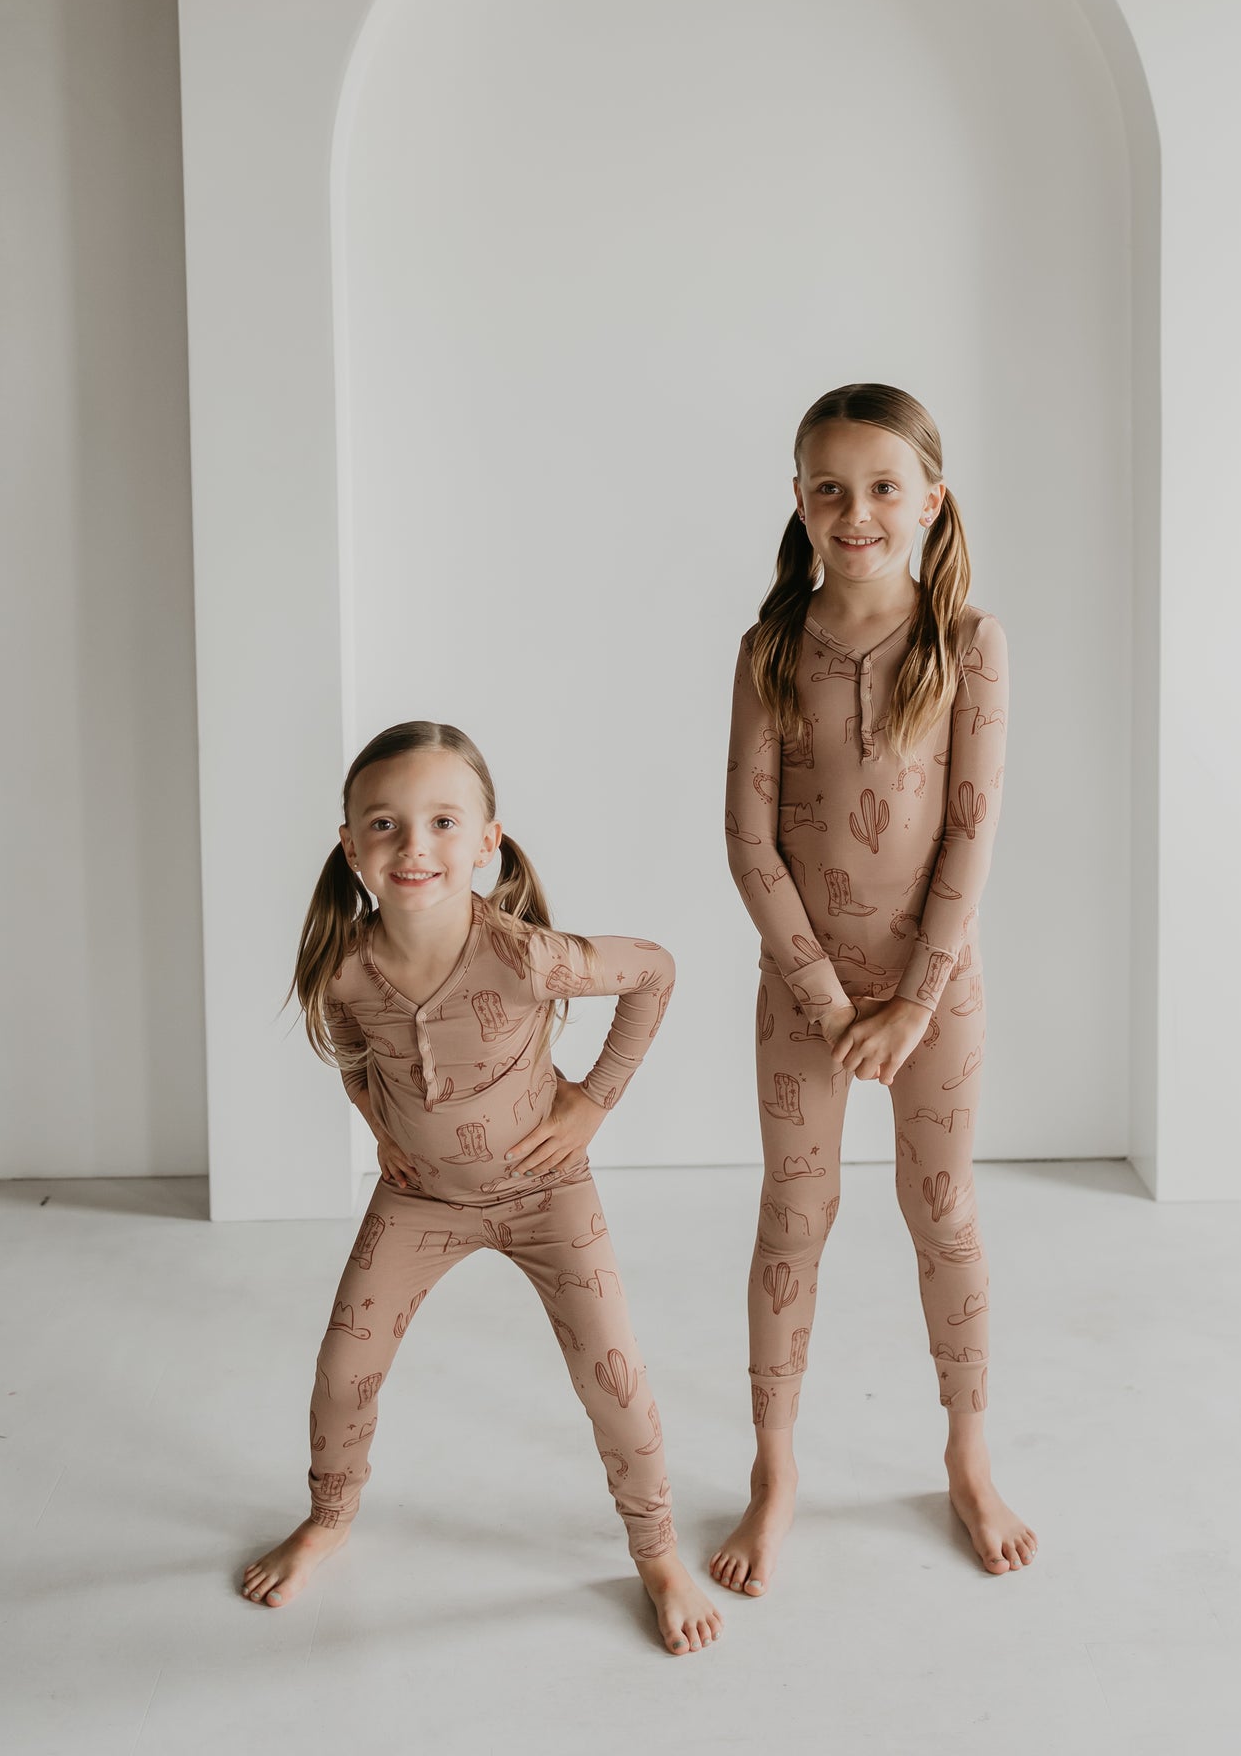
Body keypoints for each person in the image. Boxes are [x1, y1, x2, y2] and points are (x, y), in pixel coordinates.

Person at [241, 720, 723, 1656]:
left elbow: (654, 974)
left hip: (549, 1194)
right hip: (420, 1200)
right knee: (344, 1366)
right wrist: (383, 1129)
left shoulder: (524, 956)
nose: (413, 845)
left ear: (486, 841)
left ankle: (657, 1550)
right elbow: (350, 1054)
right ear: (350, 847)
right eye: (383, 824)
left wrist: (593, 1103)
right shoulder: (344, 970)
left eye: (441, 821)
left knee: (612, 1375)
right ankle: (330, 1517)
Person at [709, 382, 1038, 1596]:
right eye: (829, 486)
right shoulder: (770, 649)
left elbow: (970, 830)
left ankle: (965, 1450)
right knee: (793, 1215)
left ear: (930, 499)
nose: (856, 509)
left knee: (940, 1210)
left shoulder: (969, 645)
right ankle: (775, 1467)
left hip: (931, 993)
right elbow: (748, 841)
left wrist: (910, 997)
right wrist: (821, 993)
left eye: (882, 484)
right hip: (802, 998)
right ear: (797, 502)